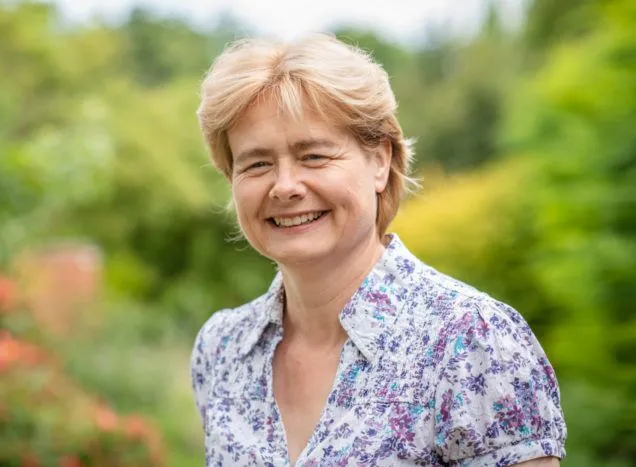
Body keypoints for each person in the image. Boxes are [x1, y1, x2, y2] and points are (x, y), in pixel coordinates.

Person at [190, 33, 566, 466]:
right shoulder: (222, 349)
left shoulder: (471, 341)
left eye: (313, 156)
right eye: (257, 163)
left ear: (380, 161)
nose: (285, 186)